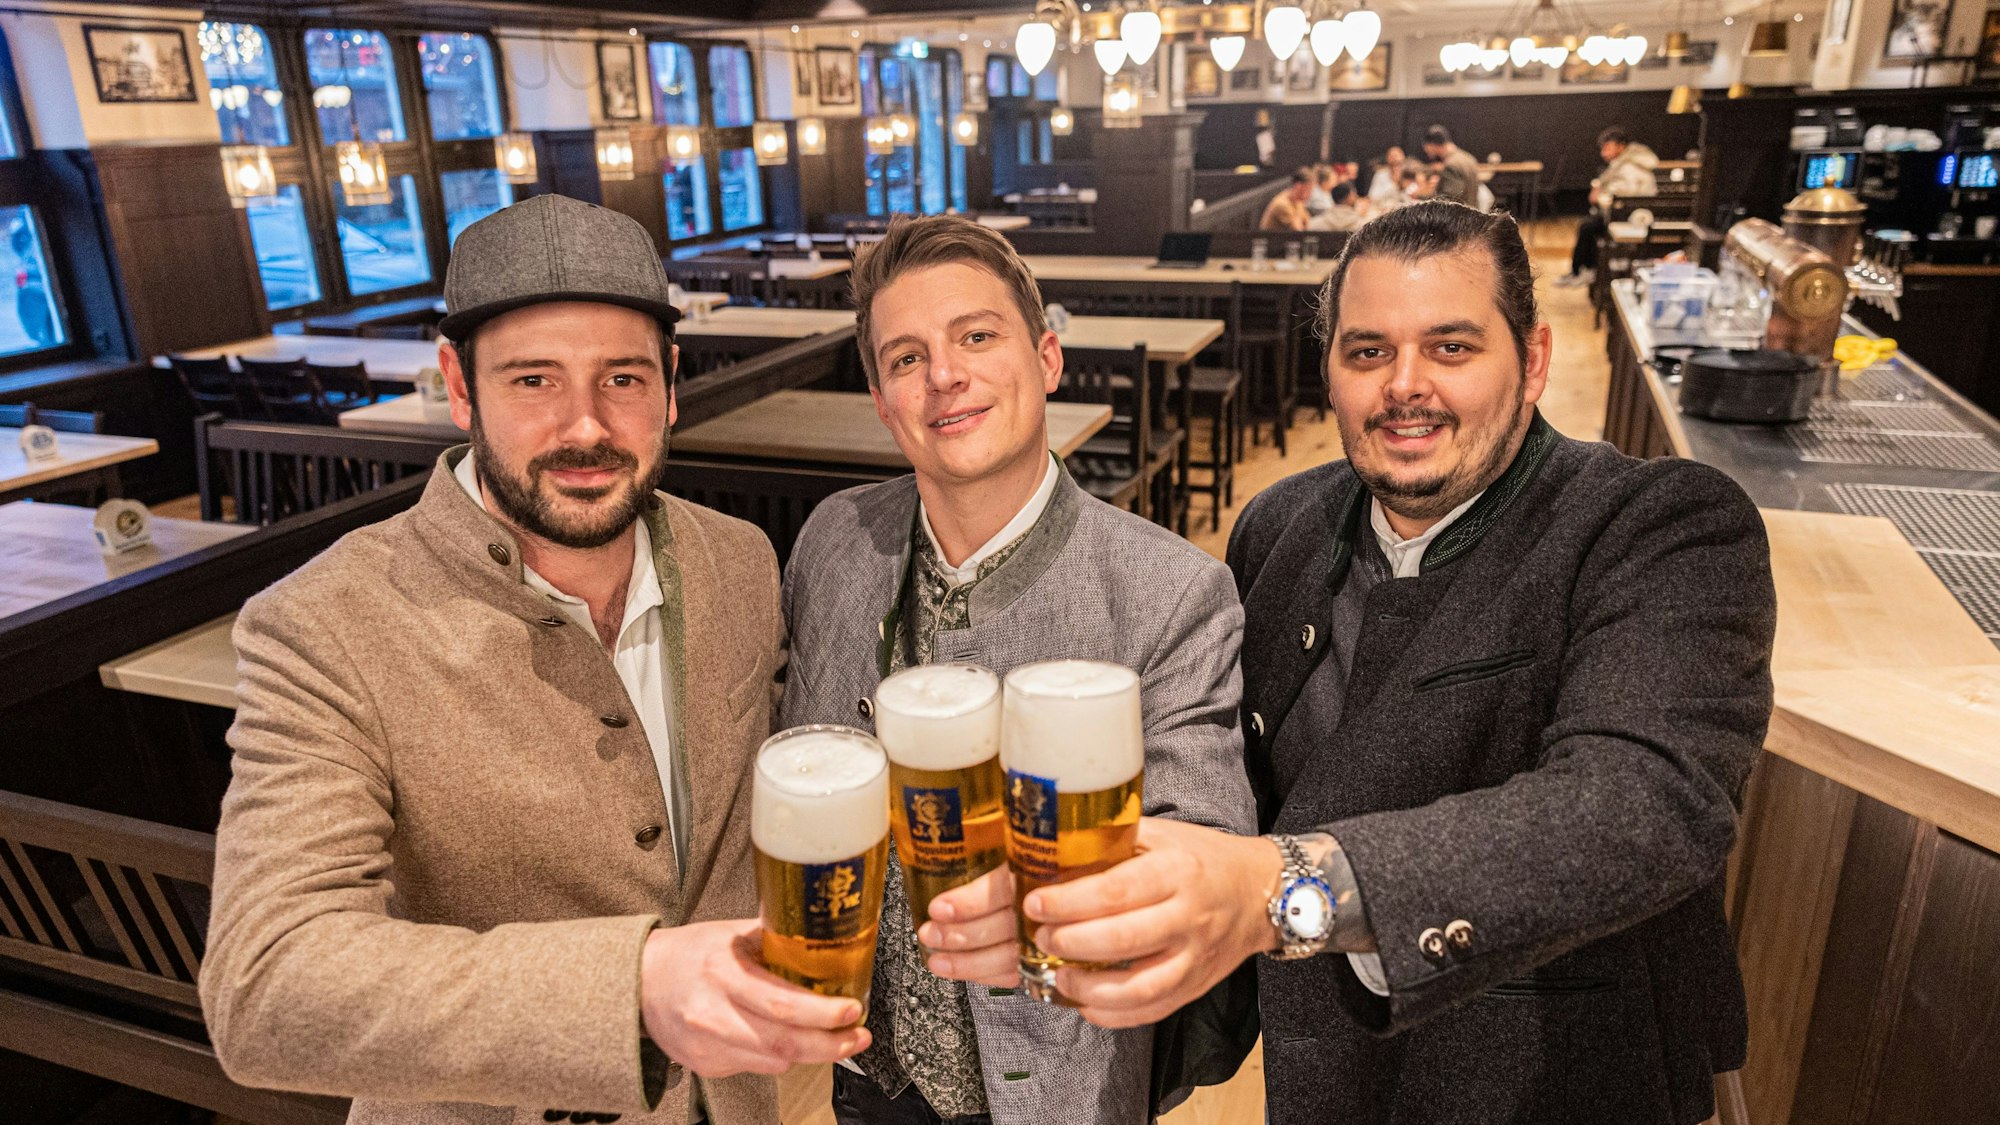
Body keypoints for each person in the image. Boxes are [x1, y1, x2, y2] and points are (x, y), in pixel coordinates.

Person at [1007, 201, 1778, 1125]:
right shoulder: (1279, 526)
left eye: (1451, 347)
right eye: (1368, 351)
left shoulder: (1657, 523)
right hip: (1324, 1076)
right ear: (1329, 370)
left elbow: (1643, 805)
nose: (1404, 385)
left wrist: (1275, 889)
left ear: (1533, 361)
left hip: (1557, 1077)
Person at [200, 195, 868, 1125]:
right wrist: (630, 985)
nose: (585, 426)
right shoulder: (323, 623)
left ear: (671, 382)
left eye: (623, 380)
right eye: (533, 381)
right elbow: (265, 983)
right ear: (459, 384)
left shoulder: (738, 559)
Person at [782, 213, 1256, 1125]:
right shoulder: (834, 539)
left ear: (1047, 358)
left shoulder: (1171, 590)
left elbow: (1205, 847)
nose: (945, 375)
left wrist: (1069, 911)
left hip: (1057, 1089)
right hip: (867, 1078)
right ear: (881, 399)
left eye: (976, 336)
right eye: (907, 358)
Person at [1558, 126, 1662, 288]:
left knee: (1588, 227)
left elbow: (1622, 196)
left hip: (1628, 218)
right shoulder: (1628, 162)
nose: (1603, 152)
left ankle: (1583, 272)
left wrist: (1599, 196)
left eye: (1607, 147)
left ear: (1621, 146)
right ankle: (1583, 270)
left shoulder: (1630, 166)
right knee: (1589, 225)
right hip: (1626, 214)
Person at [1422, 124, 1482, 208]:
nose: (1428, 153)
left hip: (1459, 218)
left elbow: (1449, 200)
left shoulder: (1452, 165)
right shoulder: (1469, 158)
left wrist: (1423, 198)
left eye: (1427, 150)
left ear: (1432, 145)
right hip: (1472, 214)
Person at [1367, 146, 1407, 212]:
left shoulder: (1409, 174)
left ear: (1403, 157)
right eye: (1391, 156)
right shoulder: (1380, 174)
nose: (1394, 158)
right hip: (1381, 209)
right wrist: (1393, 184)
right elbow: (1373, 196)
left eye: (1396, 155)